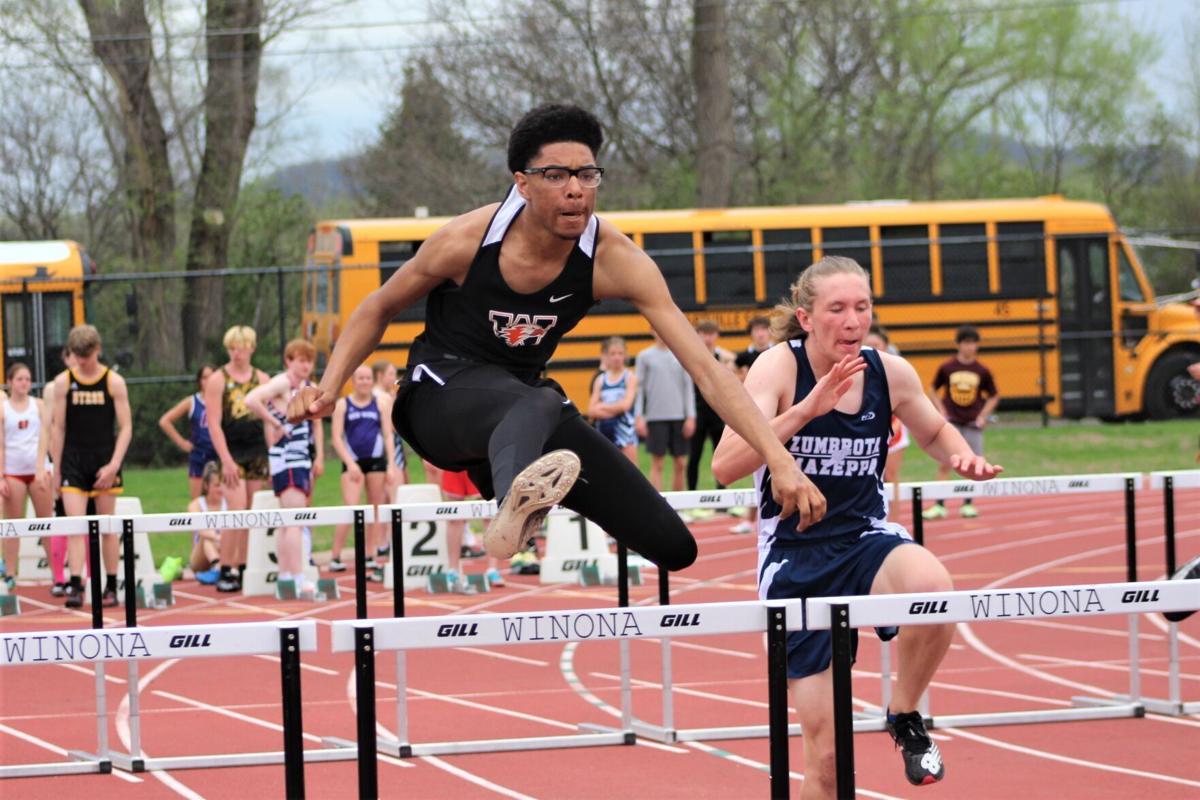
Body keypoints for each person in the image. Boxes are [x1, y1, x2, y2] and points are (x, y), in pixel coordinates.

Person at [291, 103, 820, 576]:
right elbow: (378, 306)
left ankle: (523, 491)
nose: (576, 189)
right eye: (557, 175)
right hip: (440, 397)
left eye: (588, 174)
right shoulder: (465, 241)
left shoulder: (615, 259)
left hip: (526, 412)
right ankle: (514, 503)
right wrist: (329, 384)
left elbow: (706, 369)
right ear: (521, 182)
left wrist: (780, 459)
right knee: (539, 400)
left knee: (672, 545)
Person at [711, 256, 1001, 794]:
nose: (852, 321)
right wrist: (806, 409)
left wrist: (962, 456)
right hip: (795, 558)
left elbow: (935, 431)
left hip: (864, 537)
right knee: (826, 761)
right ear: (806, 317)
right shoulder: (778, 367)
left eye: (862, 307)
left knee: (936, 590)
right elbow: (725, 466)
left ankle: (904, 713)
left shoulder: (890, 371)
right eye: (837, 309)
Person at [49, 325, 133, 609]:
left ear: (97, 350)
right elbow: (58, 428)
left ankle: (110, 585)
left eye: (86, 355)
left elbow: (126, 427)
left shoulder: (113, 382)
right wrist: (56, 468)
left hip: (104, 460)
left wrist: (114, 464)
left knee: (107, 527)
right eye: (77, 356)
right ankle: (76, 584)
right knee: (76, 525)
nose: (82, 361)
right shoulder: (63, 383)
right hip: (73, 459)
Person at [246, 339, 324, 598]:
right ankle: (297, 577)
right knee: (294, 521)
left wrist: (318, 457)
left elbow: (316, 425)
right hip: (288, 461)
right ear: (289, 361)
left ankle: (286, 577)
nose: (305, 365)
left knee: (287, 521)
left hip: (300, 459)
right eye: (300, 360)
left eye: (309, 361)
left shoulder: (306, 387)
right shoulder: (284, 382)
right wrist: (275, 423)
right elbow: (252, 399)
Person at [205, 325, 271, 593]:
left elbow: (270, 420)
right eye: (232, 348)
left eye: (241, 348)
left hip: (257, 450)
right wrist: (227, 460)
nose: (237, 353)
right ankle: (226, 566)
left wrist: (272, 457)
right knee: (235, 509)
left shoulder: (263, 379)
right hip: (231, 452)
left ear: (252, 348)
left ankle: (244, 565)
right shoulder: (218, 380)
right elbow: (214, 424)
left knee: (251, 512)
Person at [330, 364, 401, 573]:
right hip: (352, 462)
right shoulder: (343, 405)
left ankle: (370, 554)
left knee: (375, 508)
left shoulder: (379, 404)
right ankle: (335, 555)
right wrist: (350, 463)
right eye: (360, 378)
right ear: (353, 380)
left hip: (376, 460)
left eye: (367, 378)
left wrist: (391, 464)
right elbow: (336, 437)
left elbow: (388, 434)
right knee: (350, 509)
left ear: (372, 380)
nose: (364, 382)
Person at [923, 325, 999, 520]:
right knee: (944, 463)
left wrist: (983, 416)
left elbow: (993, 395)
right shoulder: (947, 367)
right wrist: (941, 410)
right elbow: (932, 389)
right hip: (952, 423)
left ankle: (968, 504)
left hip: (972, 423)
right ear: (959, 344)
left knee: (973, 465)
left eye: (973, 343)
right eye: (966, 342)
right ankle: (939, 505)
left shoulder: (982, 370)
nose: (970, 347)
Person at [2, 365, 53, 591]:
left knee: (47, 524)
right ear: (10, 381)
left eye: (28, 379)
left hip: (38, 471)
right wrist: (2, 476)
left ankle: (57, 575)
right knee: (12, 526)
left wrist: (46, 467)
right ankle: (10, 573)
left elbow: (47, 438)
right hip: (13, 471)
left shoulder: (38, 406)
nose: (24, 383)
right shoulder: (3, 409)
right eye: (20, 379)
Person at [635, 330, 695, 492]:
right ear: (651, 331)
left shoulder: (681, 353)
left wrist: (691, 416)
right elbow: (639, 389)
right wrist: (639, 416)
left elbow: (688, 386)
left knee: (681, 463)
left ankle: (679, 508)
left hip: (679, 417)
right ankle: (659, 508)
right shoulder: (644, 357)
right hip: (656, 417)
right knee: (658, 463)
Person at [687, 320, 735, 492]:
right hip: (698, 410)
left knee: (722, 456)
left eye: (711, 334)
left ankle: (723, 495)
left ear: (717, 336)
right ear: (698, 335)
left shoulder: (722, 357)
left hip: (717, 412)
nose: (708, 338)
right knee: (694, 456)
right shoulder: (692, 357)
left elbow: (732, 360)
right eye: (704, 334)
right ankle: (691, 495)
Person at [158, 365, 218, 499]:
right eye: (204, 377)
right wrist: (182, 443)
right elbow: (165, 421)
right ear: (199, 381)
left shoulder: (222, 401)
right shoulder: (192, 402)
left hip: (219, 455)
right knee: (197, 501)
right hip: (199, 455)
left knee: (220, 500)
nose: (208, 381)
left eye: (212, 377)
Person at [864, 327, 908, 484]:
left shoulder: (896, 371)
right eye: (867, 344)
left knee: (890, 476)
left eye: (876, 345)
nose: (871, 349)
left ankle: (894, 509)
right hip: (864, 433)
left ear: (886, 347)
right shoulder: (852, 371)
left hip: (893, 427)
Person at [587, 336, 638, 465]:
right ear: (607, 356)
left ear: (625, 355)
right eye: (613, 354)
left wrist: (602, 406)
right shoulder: (601, 380)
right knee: (607, 471)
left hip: (625, 432)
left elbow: (626, 406)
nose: (616, 357)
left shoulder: (630, 377)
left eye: (620, 353)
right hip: (604, 432)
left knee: (631, 473)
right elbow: (591, 411)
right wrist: (616, 408)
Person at [187, 461, 225, 584]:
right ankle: (217, 567)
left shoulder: (229, 503)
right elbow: (202, 531)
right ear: (206, 486)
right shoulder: (196, 505)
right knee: (207, 537)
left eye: (222, 485)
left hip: (224, 549)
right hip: (201, 557)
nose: (221, 489)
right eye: (217, 485)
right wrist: (219, 538)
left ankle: (220, 568)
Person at [735, 316, 772, 380]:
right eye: (756, 330)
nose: (760, 334)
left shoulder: (779, 352)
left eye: (764, 329)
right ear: (750, 333)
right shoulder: (742, 357)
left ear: (770, 331)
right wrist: (741, 377)